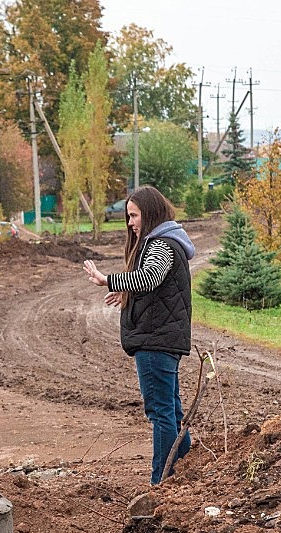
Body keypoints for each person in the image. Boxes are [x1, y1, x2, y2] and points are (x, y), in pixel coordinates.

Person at [82, 185, 197, 485]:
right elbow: (157, 287)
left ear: (150, 213)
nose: (130, 223)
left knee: (161, 414)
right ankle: (187, 472)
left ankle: (160, 483)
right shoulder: (169, 242)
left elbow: (149, 277)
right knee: (171, 412)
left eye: (134, 215)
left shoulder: (160, 243)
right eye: (128, 217)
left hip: (154, 340)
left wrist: (107, 280)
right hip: (164, 338)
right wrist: (126, 292)